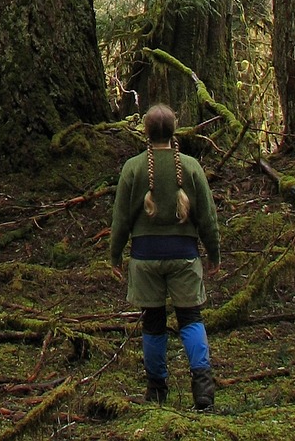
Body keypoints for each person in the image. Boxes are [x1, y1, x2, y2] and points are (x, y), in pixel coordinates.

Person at [109, 103, 220, 411]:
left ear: (145, 131)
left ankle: (156, 389)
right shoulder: (191, 166)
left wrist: (116, 255)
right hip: (183, 254)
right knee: (190, 317)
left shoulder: (133, 167)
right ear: (175, 130)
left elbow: (120, 219)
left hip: (144, 257)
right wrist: (214, 253)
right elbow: (207, 218)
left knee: (153, 322)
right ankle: (203, 388)